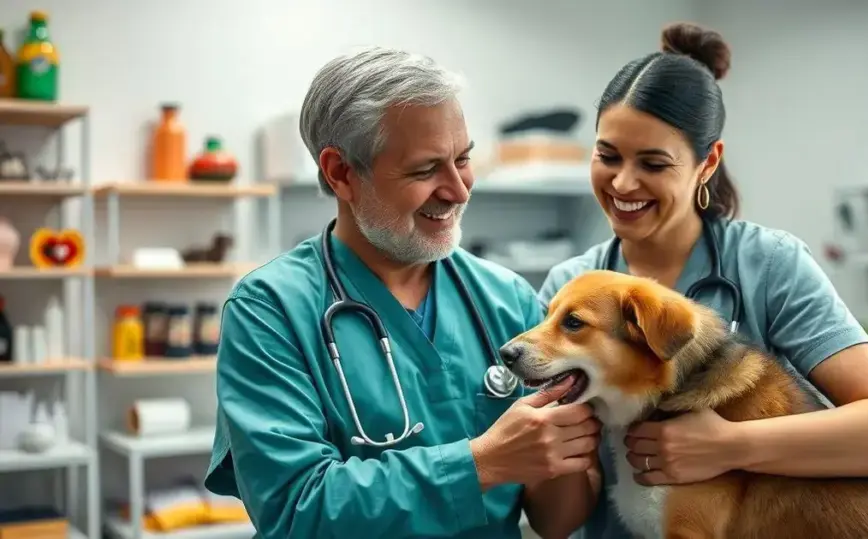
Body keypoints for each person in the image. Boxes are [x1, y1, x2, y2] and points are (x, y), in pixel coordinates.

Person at [537, 22, 868, 537]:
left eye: (654, 164)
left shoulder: (768, 264)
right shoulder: (568, 289)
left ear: (707, 164)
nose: (623, 183)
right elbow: (556, 519)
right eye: (607, 155)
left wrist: (729, 445)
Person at [203, 47, 601, 539]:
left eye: (463, 158)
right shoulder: (270, 311)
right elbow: (294, 510)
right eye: (425, 169)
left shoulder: (506, 300)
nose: (458, 189)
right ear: (341, 173)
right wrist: (480, 464)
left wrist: (564, 451)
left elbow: (557, 521)